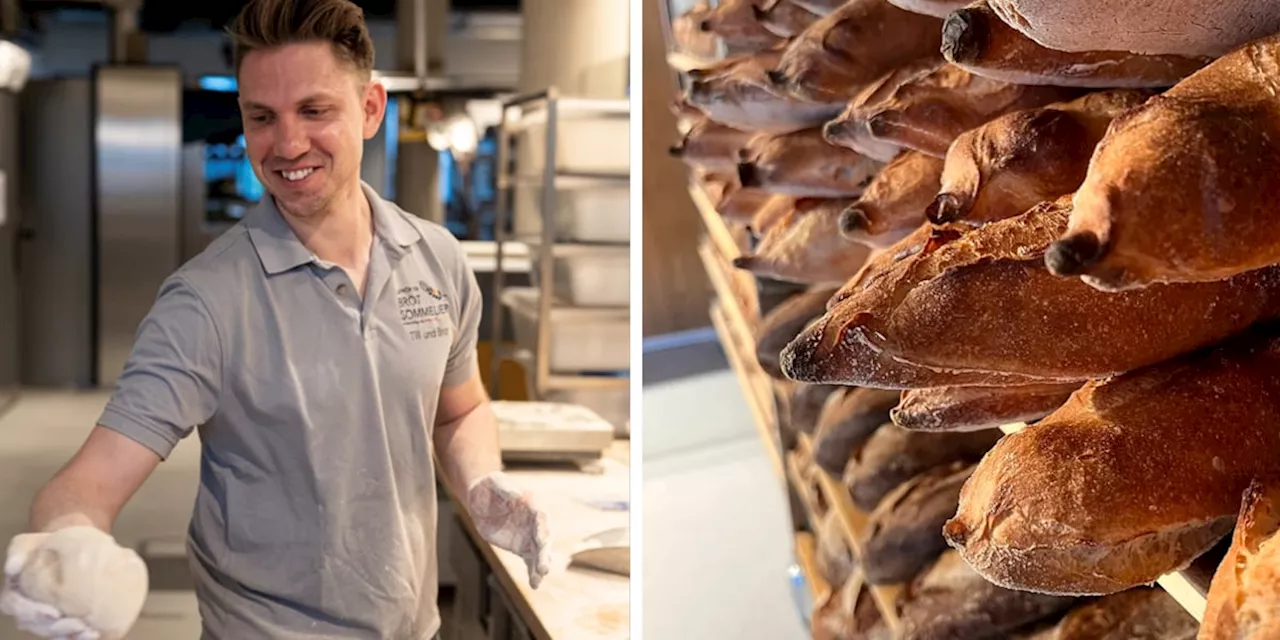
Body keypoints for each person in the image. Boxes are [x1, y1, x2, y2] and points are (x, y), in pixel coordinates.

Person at [0, 1, 551, 638]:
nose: (287, 145)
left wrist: (482, 481)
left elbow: (459, 410)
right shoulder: (205, 301)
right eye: (263, 117)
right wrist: (70, 545)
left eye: (315, 111)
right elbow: (80, 488)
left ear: (370, 109)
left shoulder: (438, 259)